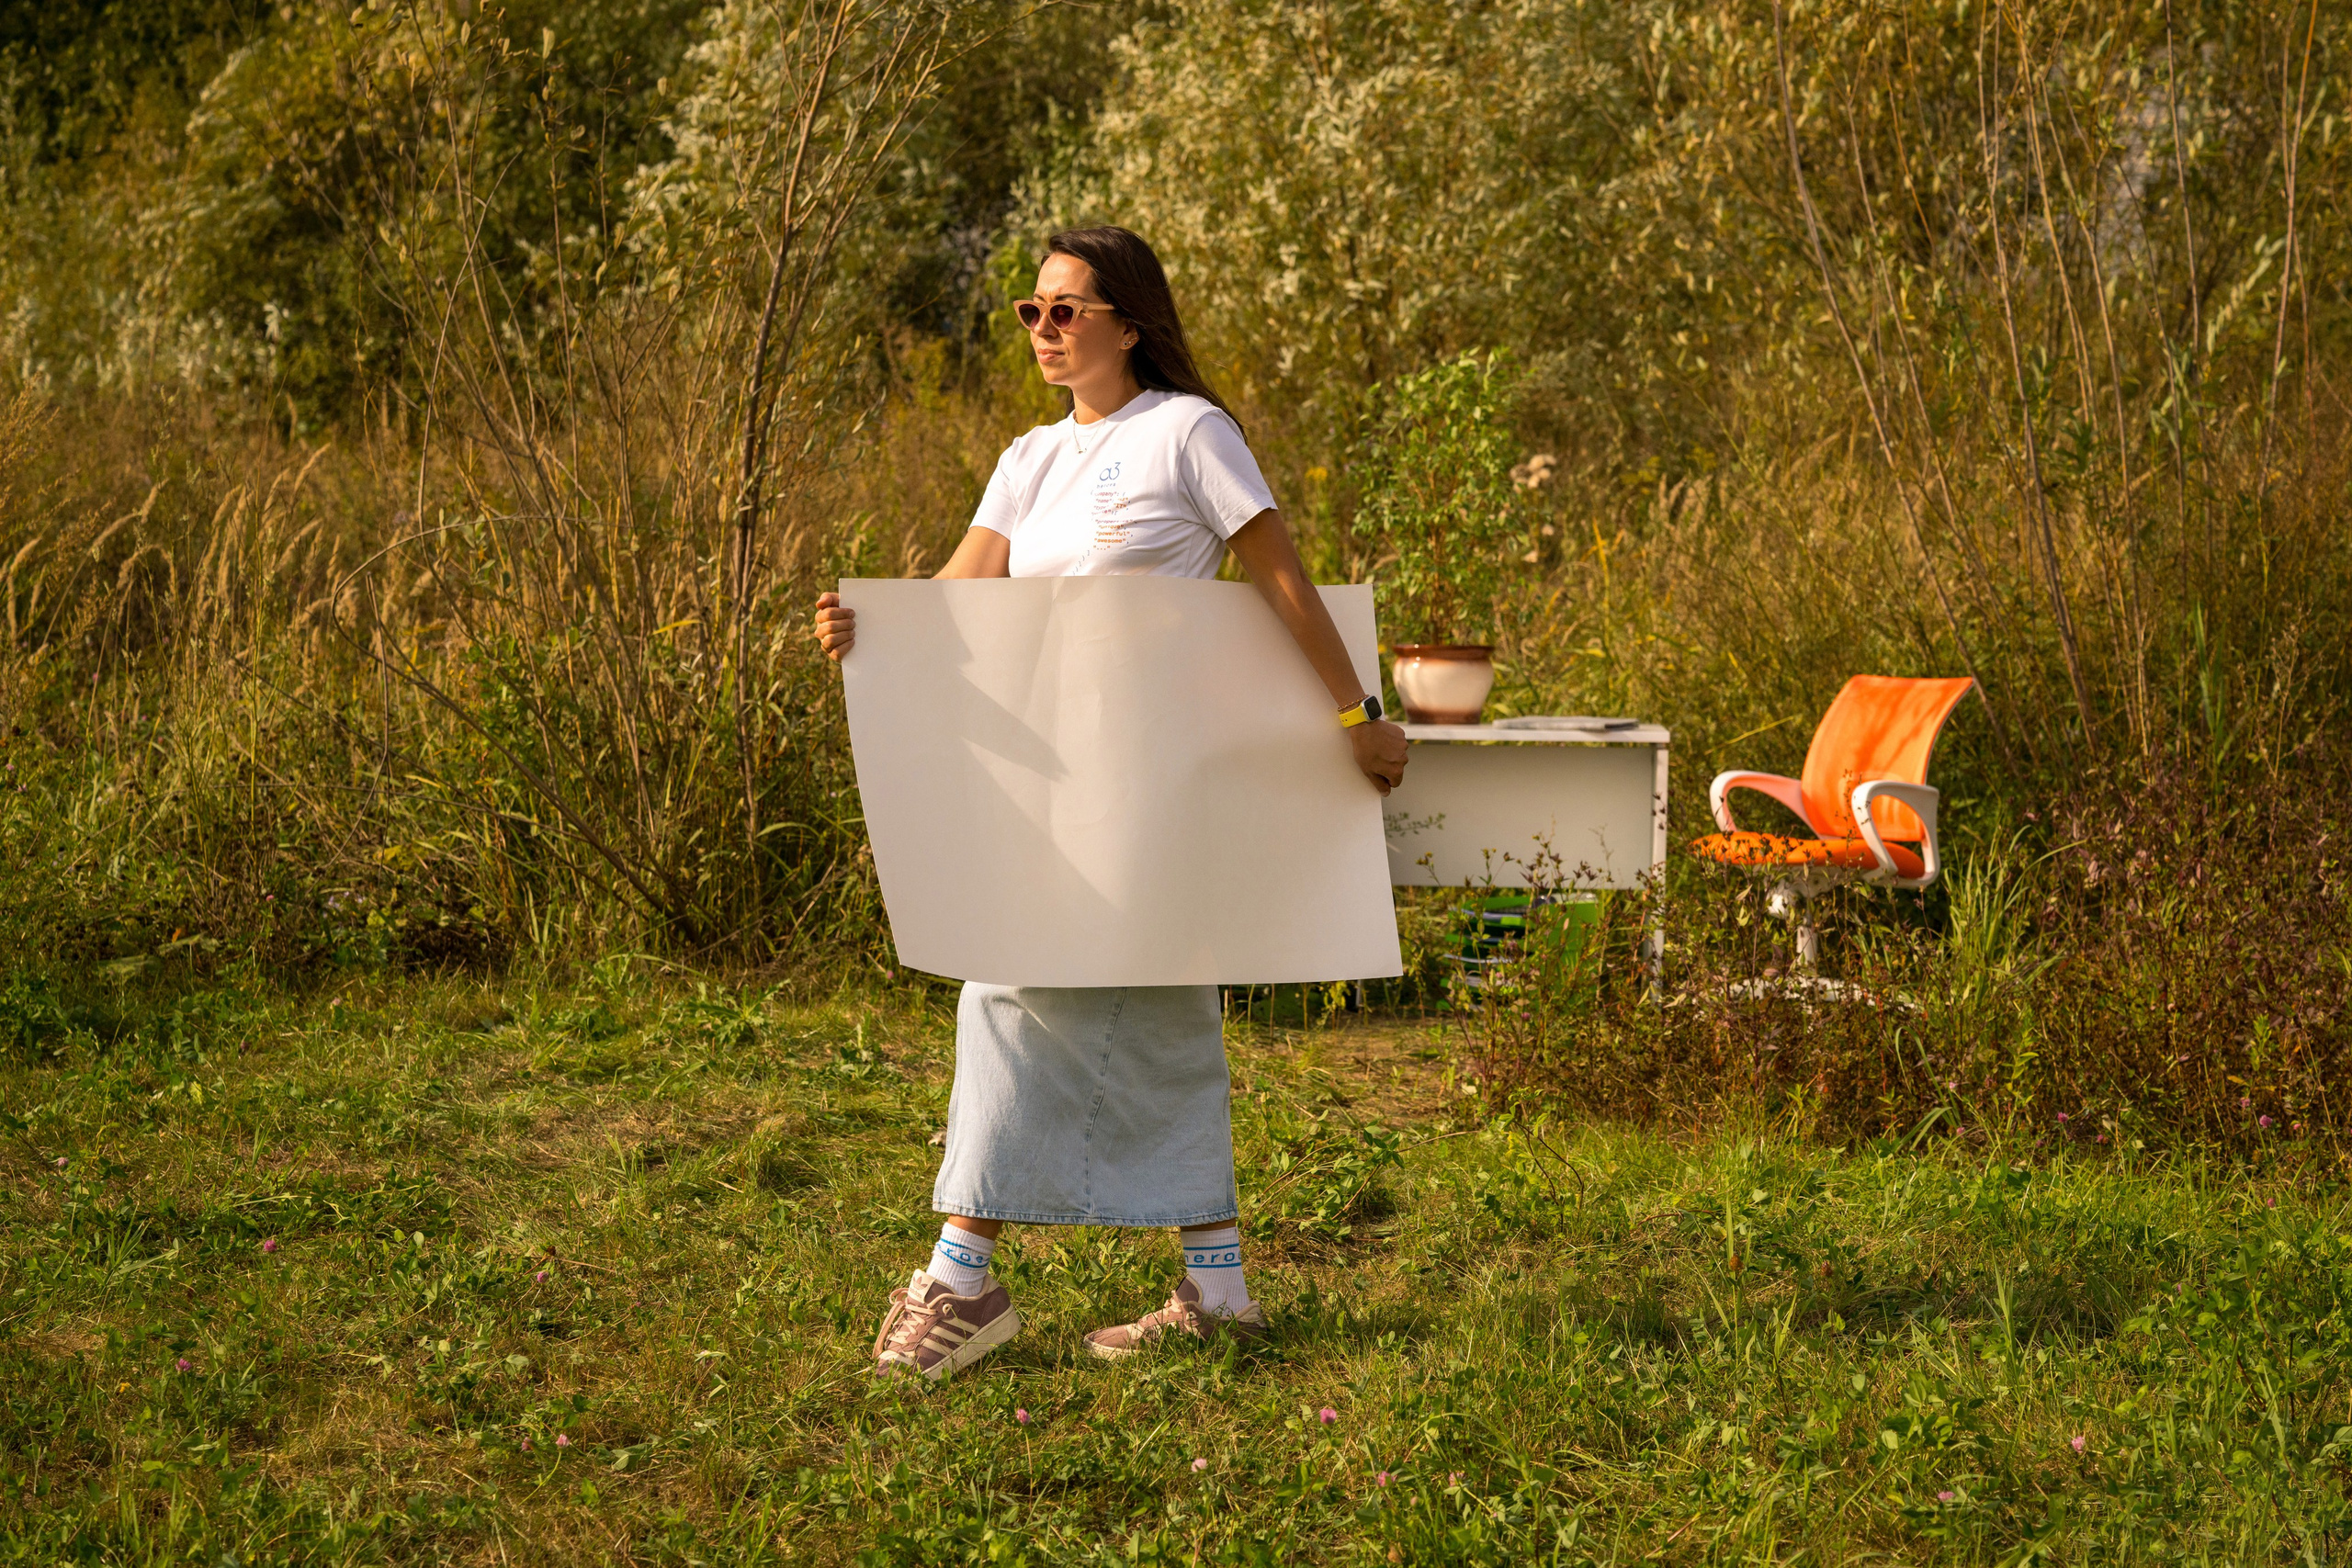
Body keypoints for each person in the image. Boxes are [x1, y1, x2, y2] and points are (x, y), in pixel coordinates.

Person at [813, 226, 1408, 1380]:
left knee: (1008, 991)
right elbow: (957, 599)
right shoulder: (1028, 458)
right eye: (1030, 311)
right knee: (1162, 1014)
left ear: (1128, 325)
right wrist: (867, 630)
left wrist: (1356, 716)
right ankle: (1218, 1292)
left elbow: (1278, 579)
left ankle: (960, 1281)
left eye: (1066, 310)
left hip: (1151, 788)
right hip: (1050, 789)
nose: (1043, 330)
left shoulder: (1190, 432)